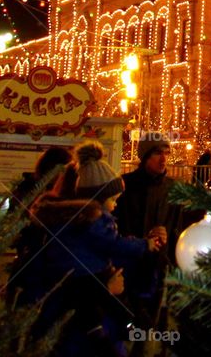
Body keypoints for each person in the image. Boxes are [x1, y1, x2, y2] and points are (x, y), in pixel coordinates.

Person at [29, 141, 161, 357]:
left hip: (92, 317)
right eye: (113, 199)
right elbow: (51, 292)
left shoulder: (68, 226)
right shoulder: (83, 224)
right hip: (75, 337)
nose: (115, 204)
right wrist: (107, 287)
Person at [114, 132, 193, 353]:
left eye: (166, 153)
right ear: (145, 155)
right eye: (158, 153)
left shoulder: (173, 189)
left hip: (159, 267)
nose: (164, 158)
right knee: (128, 325)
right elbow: (117, 223)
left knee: (153, 326)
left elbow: (178, 227)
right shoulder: (125, 185)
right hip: (128, 267)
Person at [7, 146, 72, 307]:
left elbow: (12, 225)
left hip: (26, 260)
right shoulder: (53, 197)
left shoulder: (24, 190)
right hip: (42, 263)